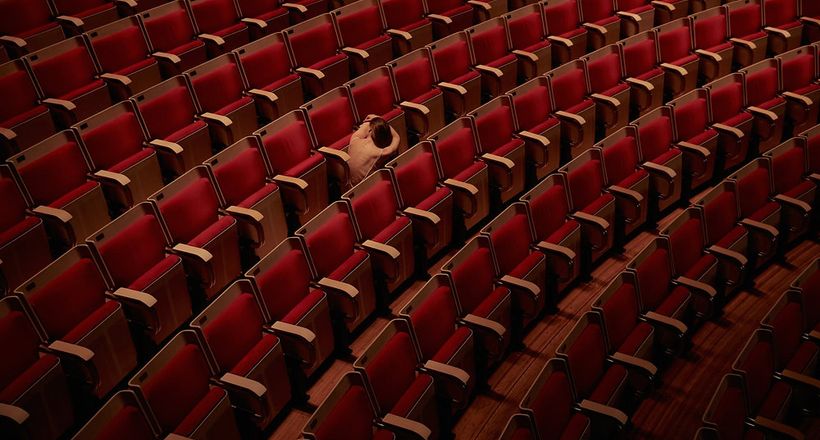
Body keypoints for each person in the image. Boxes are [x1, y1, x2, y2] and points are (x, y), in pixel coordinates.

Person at [348, 114, 400, 186]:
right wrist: (379, 119)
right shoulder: (380, 153)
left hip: (350, 188)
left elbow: (365, 127)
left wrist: (374, 119)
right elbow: (396, 137)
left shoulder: (354, 139)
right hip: (365, 189)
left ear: (370, 131)